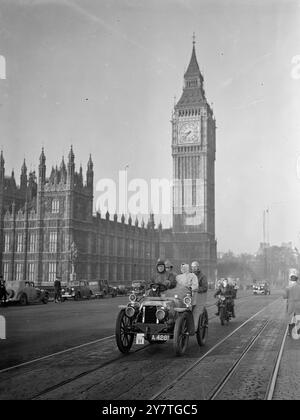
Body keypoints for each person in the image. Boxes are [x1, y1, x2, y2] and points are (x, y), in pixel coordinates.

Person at [191, 261, 208, 331]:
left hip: (198, 297)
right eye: (192, 267)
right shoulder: (188, 275)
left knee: (196, 311)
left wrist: (196, 289)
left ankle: (194, 327)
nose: (194, 268)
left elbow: (204, 287)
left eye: (195, 267)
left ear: (198, 267)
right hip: (188, 296)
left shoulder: (202, 276)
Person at [283, 269, 300, 336]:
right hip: (298, 305)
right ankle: (298, 332)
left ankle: (290, 333)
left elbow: (285, 296)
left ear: (290, 280)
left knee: (290, 319)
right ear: (296, 280)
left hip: (291, 305)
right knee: (298, 318)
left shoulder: (288, 287)